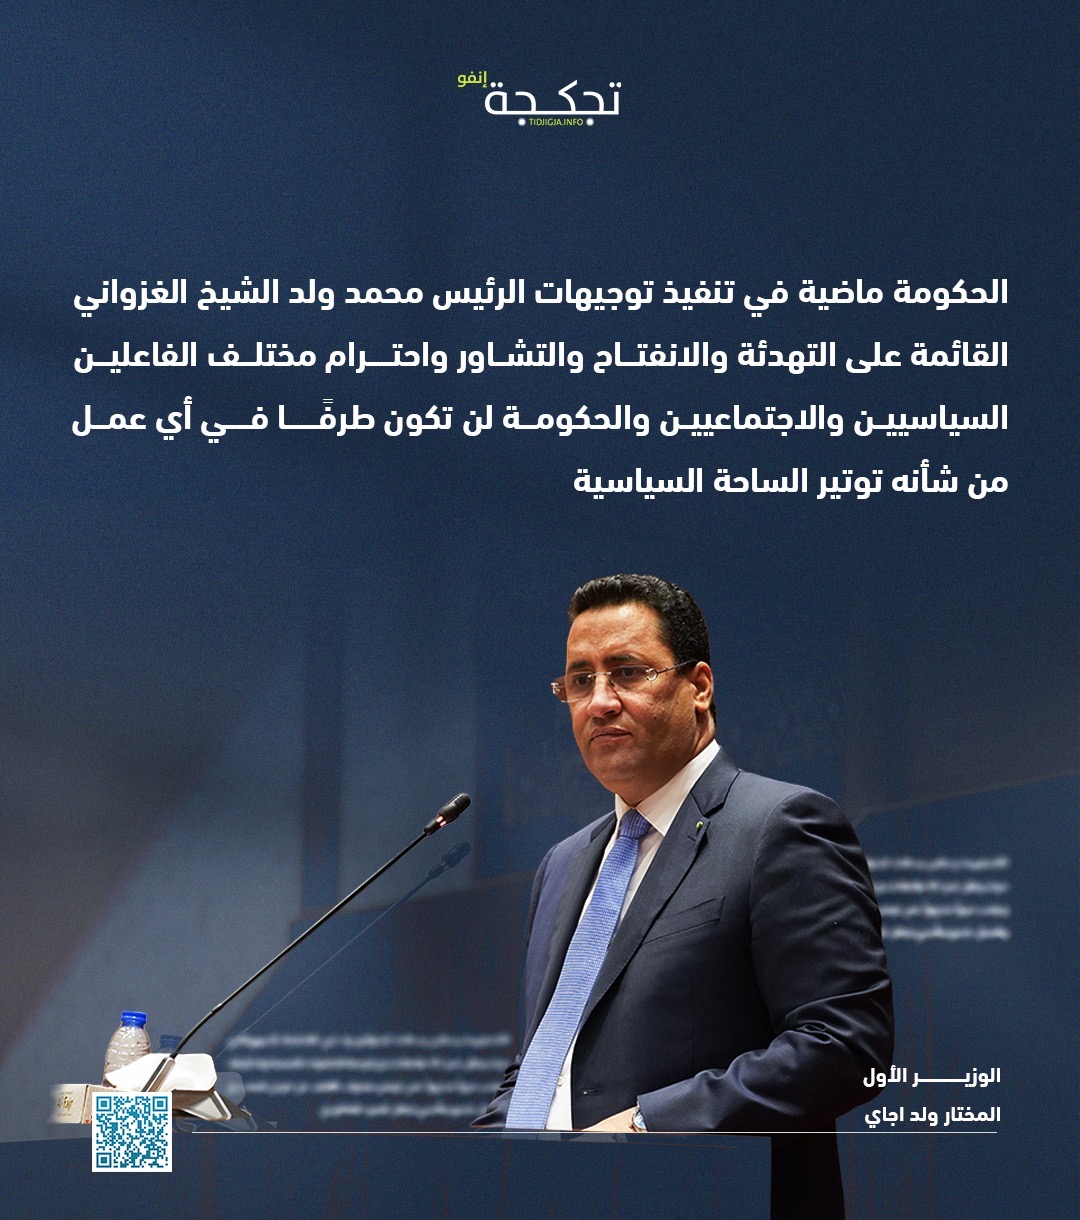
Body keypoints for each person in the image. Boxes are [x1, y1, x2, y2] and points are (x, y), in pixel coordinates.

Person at [474, 574, 893, 1219]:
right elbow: (544, 1063)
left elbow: (843, 1045)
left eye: (627, 672)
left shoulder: (779, 825)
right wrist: (478, 1165)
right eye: (580, 680)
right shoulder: (561, 864)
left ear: (698, 687)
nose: (599, 702)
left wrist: (648, 1126)